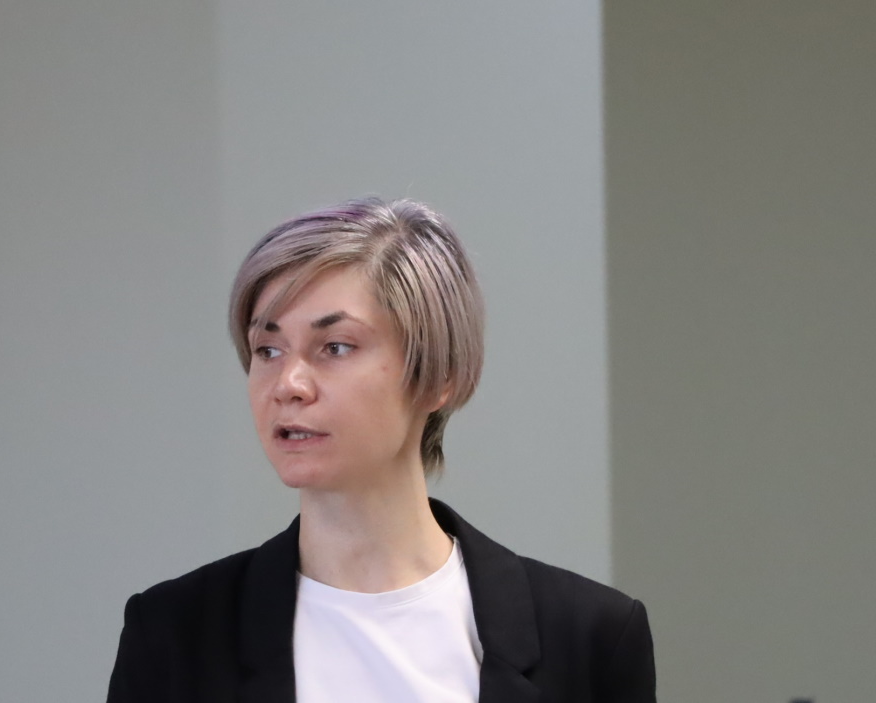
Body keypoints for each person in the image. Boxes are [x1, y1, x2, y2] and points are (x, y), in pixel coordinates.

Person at [106, 197, 656, 702]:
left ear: (439, 376)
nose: (289, 384)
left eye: (335, 346)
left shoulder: (589, 637)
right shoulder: (173, 635)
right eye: (268, 349)